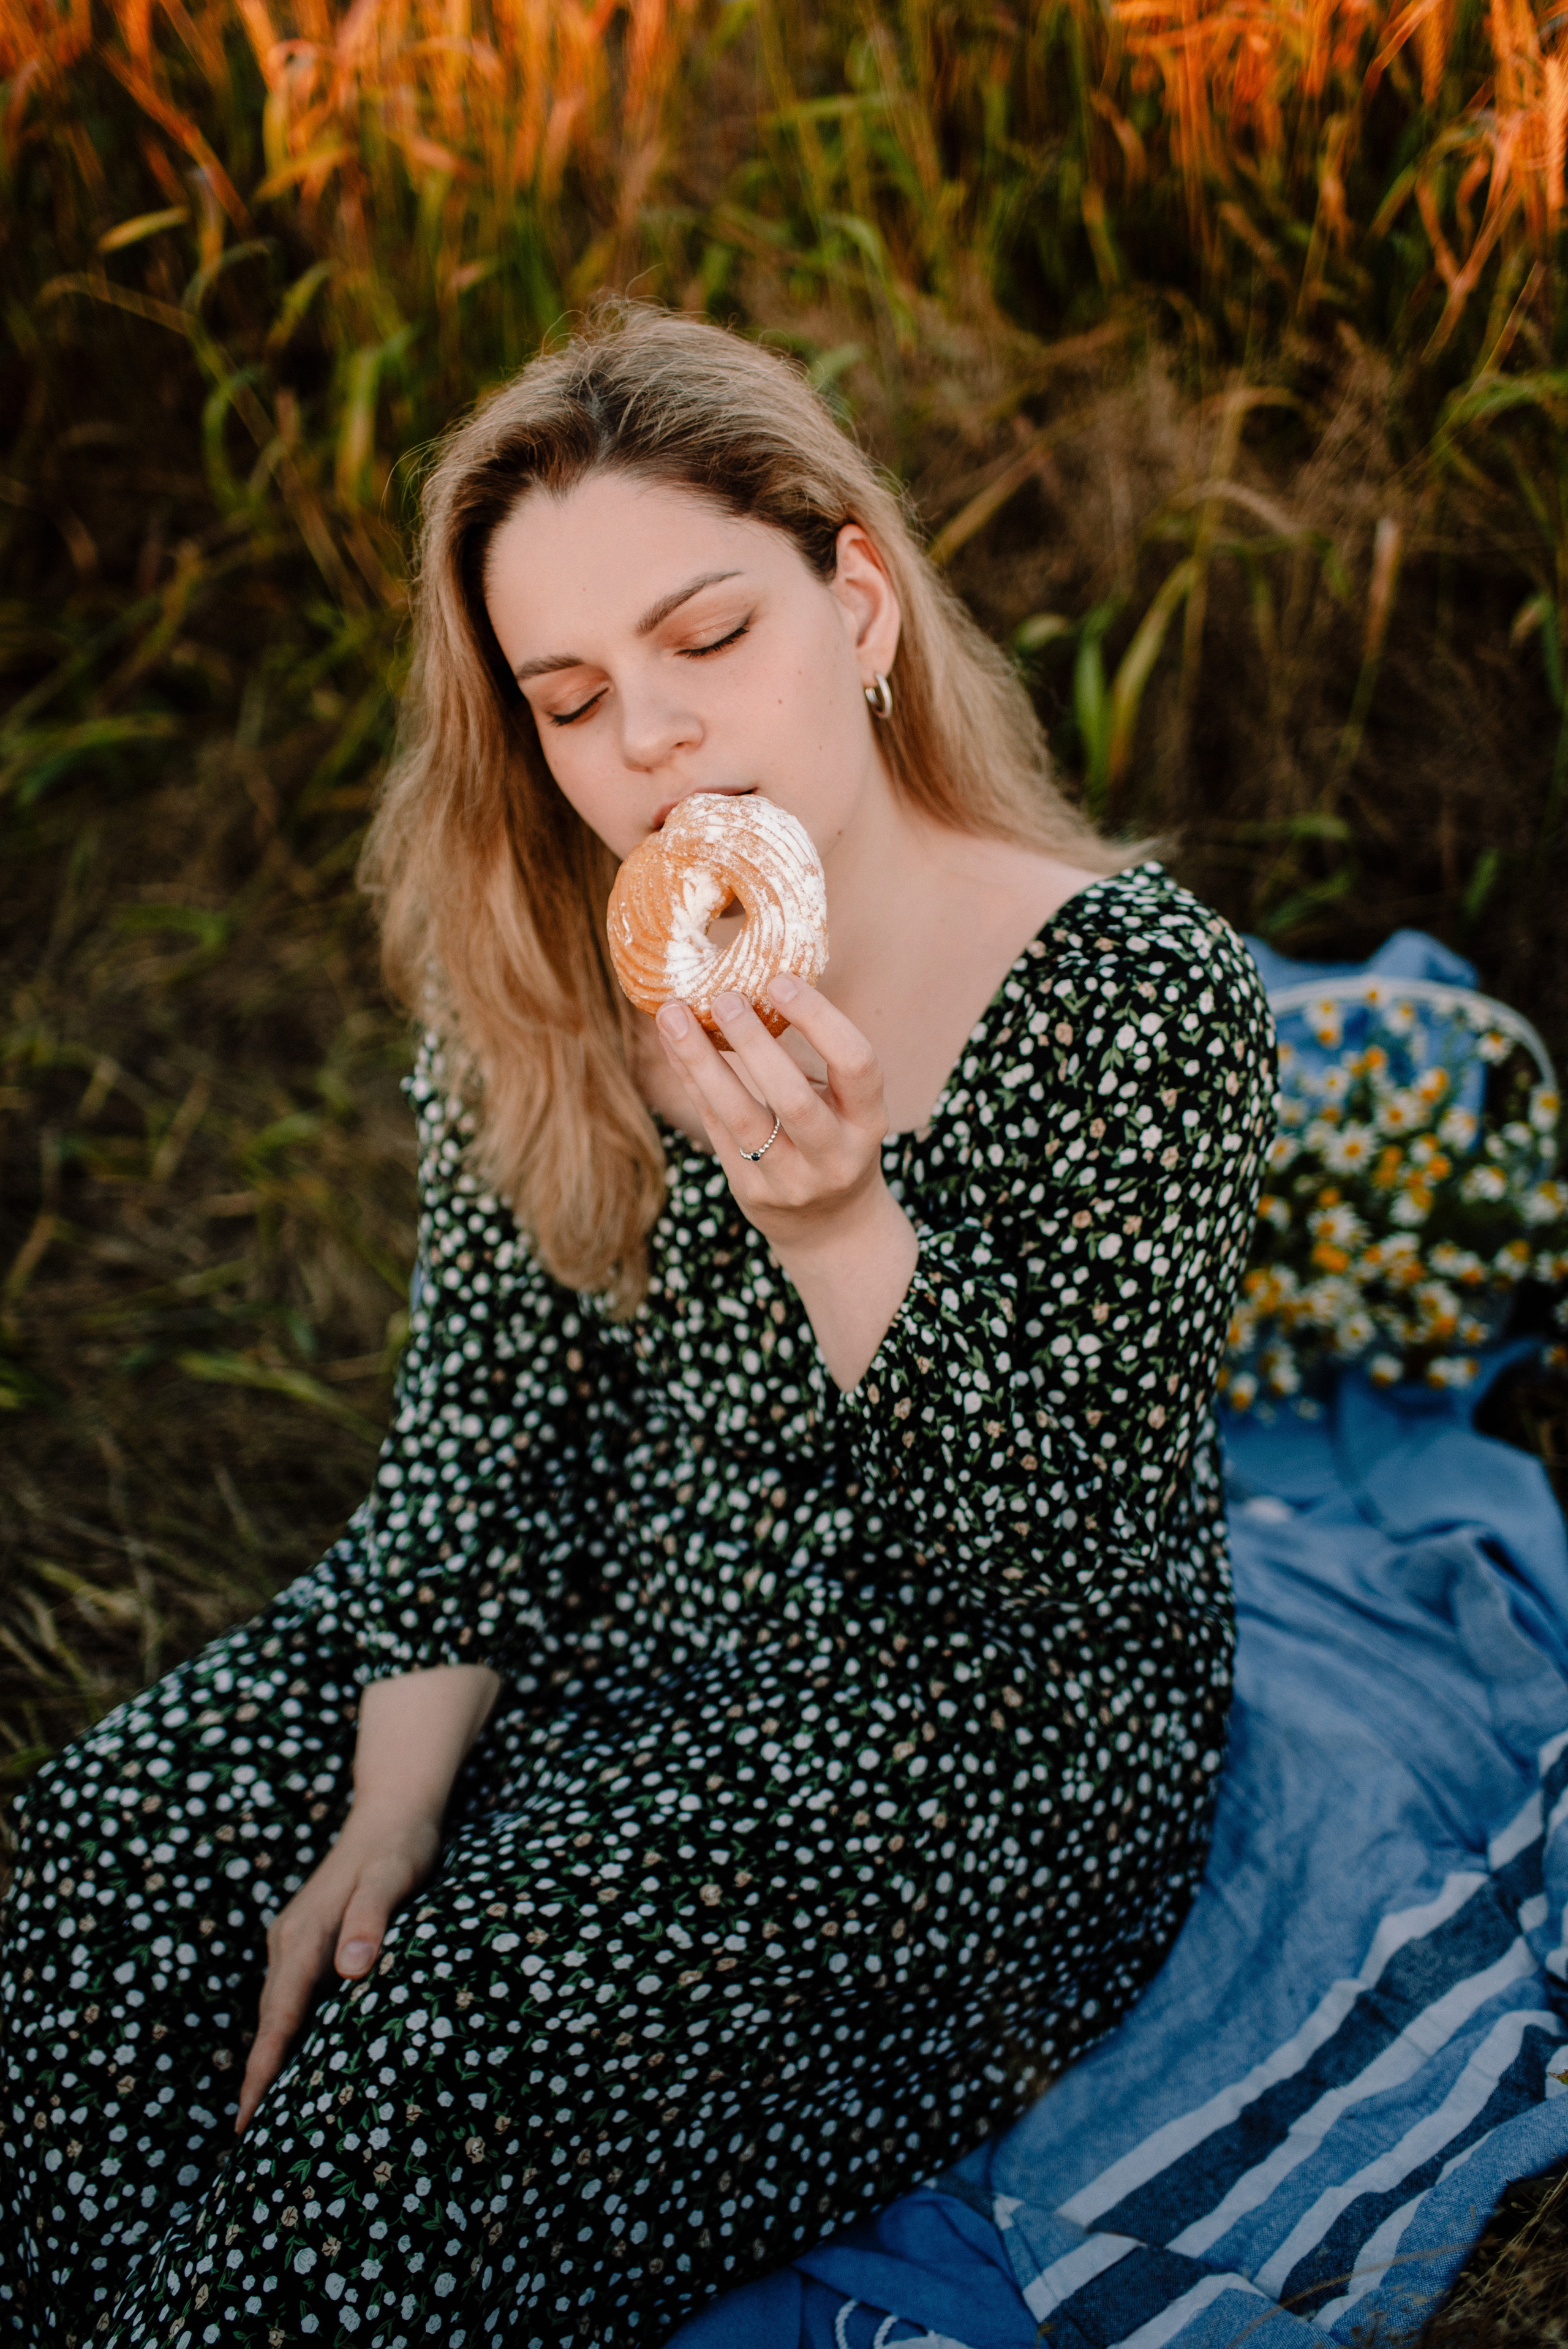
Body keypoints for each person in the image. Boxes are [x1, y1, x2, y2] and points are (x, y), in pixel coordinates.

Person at [0, 304, 1276, 2348]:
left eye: (707, 639)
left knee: (436, 2061)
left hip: (979, 1719)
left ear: (855, 600)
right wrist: (397, 1801)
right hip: (614, 1606)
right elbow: (483, 1432)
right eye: (574, 697)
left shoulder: (1141, 995)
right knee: (100, 1876)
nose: (650, 740)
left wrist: (839, 1219)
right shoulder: (556, 965)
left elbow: (1057, 1562)